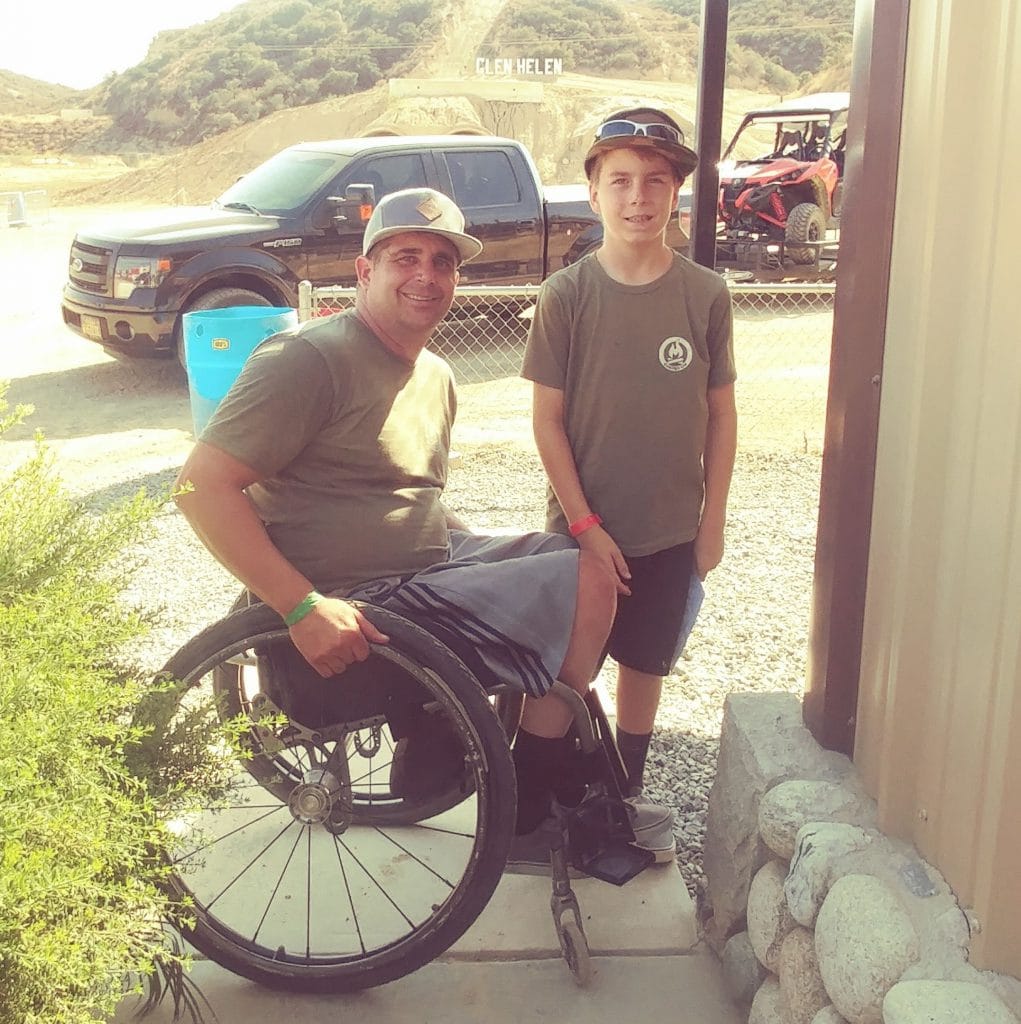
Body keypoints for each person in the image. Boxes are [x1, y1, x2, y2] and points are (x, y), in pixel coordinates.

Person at [173, 187, 662, 873]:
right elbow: (199, 487)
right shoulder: (306, 361)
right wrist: (301, 606)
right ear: (363, 272)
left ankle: (526, 761)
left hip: (423, 569)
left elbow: (406, 496)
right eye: (406, 257)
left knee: (583, 561)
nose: (426, 276)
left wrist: (501, 561)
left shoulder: (434, 374)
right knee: (579, 585)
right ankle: (526, 793)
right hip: (356, 604)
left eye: (443, 261)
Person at [521, 108, 738, 859]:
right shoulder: (567, 295)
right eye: (619, 180)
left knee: (645, 664)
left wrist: (710, 522)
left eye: (655, 180)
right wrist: (584, 525)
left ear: (677, 193)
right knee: (566, 668)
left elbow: (720, 414)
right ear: (592, 192)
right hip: (584, 532)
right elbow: (547, 422)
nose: (637, 196)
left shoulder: (705, 294)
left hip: (670, 528)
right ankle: (532, 805)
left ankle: (624, 790)